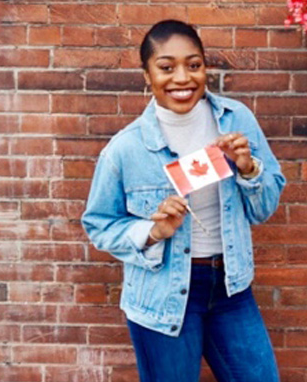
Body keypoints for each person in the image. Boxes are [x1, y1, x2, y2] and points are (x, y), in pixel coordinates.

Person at [81, 19, 285, 382]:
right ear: (147, 75)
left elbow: (263, 209)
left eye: (193, 65)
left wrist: (249, 168)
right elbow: (98, 225)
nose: (182, 78)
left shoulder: (235, 120)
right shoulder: (125, 149)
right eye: (166, 67)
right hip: (162, 296)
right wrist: (154, 230)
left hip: (231, 287)